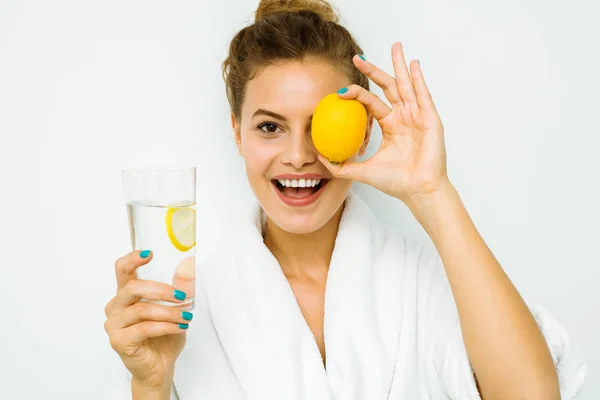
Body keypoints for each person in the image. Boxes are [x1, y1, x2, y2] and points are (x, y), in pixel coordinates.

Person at [104, 0, 587, 399]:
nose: (297, 157)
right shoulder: (186, 302)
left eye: (322, 126)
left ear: (361, 135)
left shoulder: (420, 281)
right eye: (270, 127)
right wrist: (151, 382)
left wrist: (432, 192)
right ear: (238, 134)